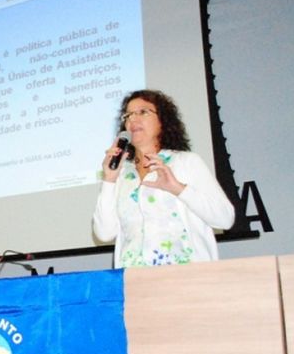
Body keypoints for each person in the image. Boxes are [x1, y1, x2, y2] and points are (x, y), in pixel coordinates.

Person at [93, 89, 235, 267]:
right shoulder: (122, 174)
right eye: (127, 115)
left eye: (143, 112)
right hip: (135, 282)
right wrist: (109, 179)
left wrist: (177, 188)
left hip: (187, 278)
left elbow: (225, 218)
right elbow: (105, 233)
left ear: (163, 121)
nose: (132, 119)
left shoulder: (185, 162)